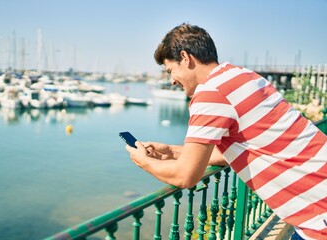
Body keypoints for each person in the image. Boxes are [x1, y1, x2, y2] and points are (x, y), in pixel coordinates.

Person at [125, 23, 327, 240]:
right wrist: (172, 152)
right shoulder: (244, 76)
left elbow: (185, 177)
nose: (172, 80)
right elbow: (245, 148)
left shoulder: (210, 93)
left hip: (320, 217)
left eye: (170, 70)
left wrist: (142, 161)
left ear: (185, 57)